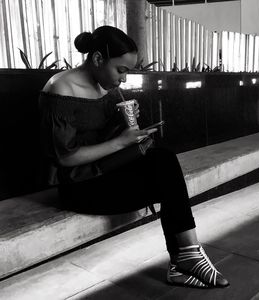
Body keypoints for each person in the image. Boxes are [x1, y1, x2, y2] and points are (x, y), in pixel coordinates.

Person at [38, 25, 229, 289]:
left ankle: (187, 255)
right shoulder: (60, 88)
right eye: (121, 70)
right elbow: (65, 158)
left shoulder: (107, 87)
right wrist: (120, 141)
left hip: (107, 174)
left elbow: (109, 138)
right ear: (97, 59)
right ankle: (184, 258)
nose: (123, 80)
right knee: (167, 178)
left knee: (164, 160)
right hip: (78, 187)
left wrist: (125, 124)